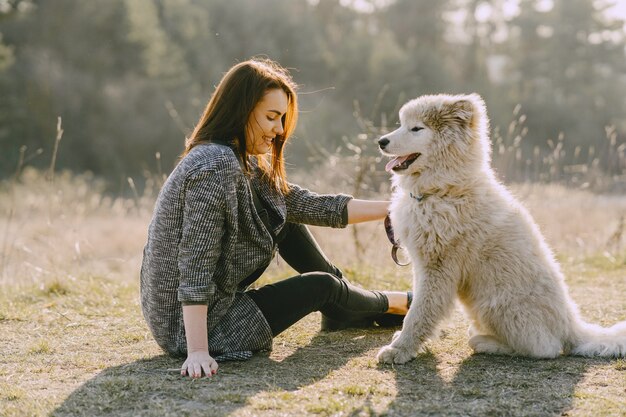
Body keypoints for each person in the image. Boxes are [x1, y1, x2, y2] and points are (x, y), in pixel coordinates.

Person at [140, 58, 411, 379]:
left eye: (282, 119)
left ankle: (344, 307)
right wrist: (198, 350)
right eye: (271, 117)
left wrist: (397, 207)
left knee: (283, 212)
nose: (279, 130)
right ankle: (399, 302)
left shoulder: (238, 159)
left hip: (207, 312)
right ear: (241, 110)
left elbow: (308, 205)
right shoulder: (214, 167)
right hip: (197, 328)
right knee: (321, 286)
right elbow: (195, 262)